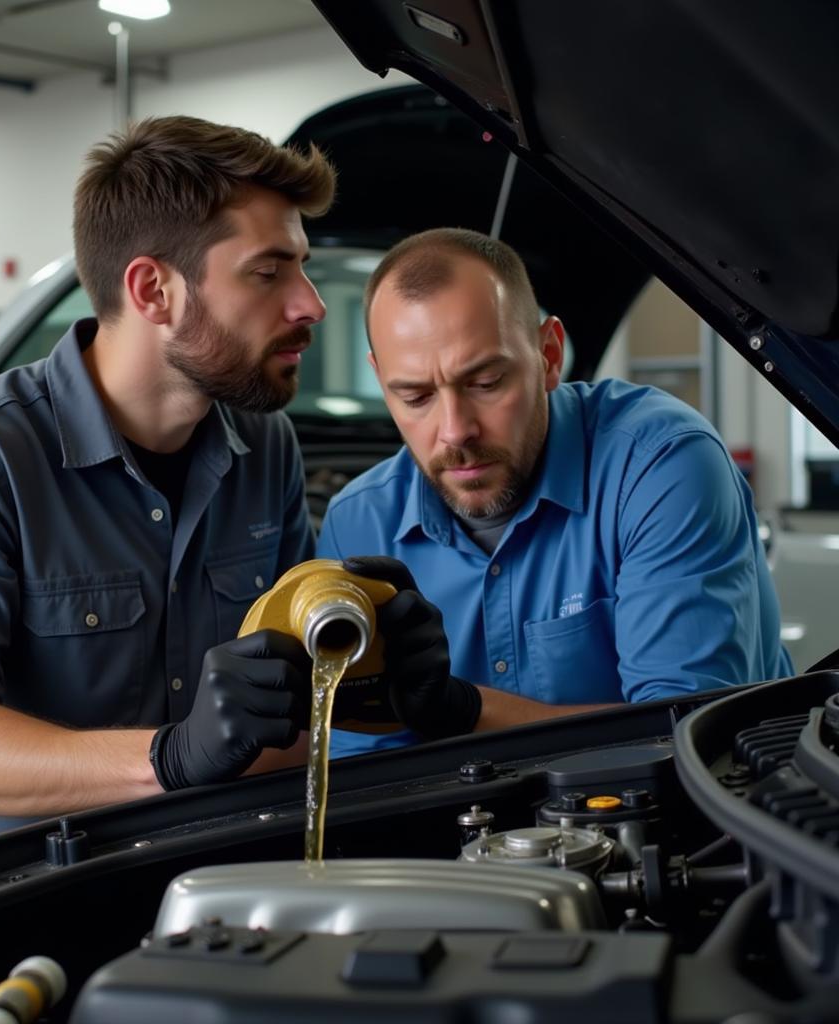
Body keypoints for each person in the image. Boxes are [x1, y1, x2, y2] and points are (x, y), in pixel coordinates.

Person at [0, 115, 337, 866]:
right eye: (268, 271)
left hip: (190, 884)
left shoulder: (262, 445)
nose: (308, 303)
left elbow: (285, 706)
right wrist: (169, 758)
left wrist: (366, 659)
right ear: (154, 290)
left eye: (303, 267)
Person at [317, 227, 794, 757]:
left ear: (548, 355)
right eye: (416, 396)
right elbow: (361, 770)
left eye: (485, 383)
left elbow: (685, 736)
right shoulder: (356, 525)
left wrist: (467, 711)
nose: (454, 431)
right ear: (381, 382)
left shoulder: (663, 465)